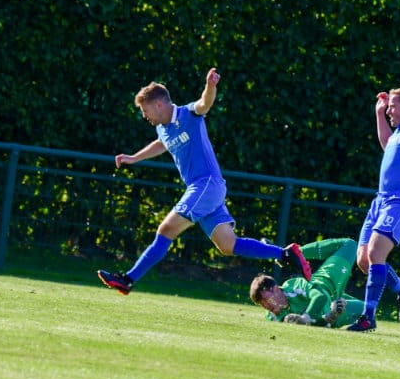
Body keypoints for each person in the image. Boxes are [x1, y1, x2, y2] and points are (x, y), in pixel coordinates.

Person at [97, 69, 311, 295]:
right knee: (227, 245)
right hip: (207, 190)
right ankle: (285, 254)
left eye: (145, 110)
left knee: (166, 229)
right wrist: (133, 158)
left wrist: (211, 86)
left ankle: (128, 279)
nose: (144, 115)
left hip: (206, 184)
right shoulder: (162, 128)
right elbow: (161, 144)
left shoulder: (188, 114)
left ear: (159, 104)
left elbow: (204, 103)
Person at [347, 58, 400, 331]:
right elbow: (386, 143)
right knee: (364, 260)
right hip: (380, 200)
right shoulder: (397, 134)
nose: (389, 111)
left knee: (375, 252)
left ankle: (368, 317)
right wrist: (379, 113)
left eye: (393, 106)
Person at [250, 238, 365, 328]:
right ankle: (287, 255)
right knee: (369, 312)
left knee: (349, 245)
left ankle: (288, 255)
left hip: (328, 282)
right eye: (262, 304)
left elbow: (320, 296)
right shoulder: (272, 315)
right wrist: (330, 316)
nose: (267, 306)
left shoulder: (293, 286)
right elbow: (312, 325)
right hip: (335, 310)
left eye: (267, 300)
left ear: (275, 289)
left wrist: (306, 317)